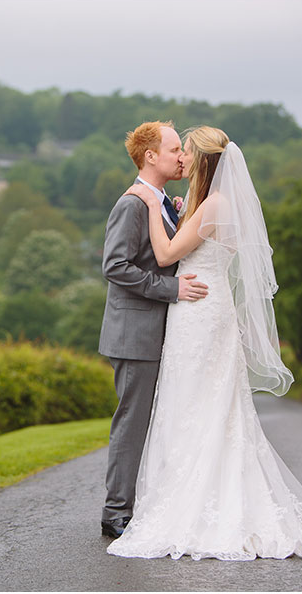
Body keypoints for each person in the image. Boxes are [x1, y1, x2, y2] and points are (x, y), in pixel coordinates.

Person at [106, 126, 302, 560]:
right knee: (193, 409)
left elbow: (170, 254)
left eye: (186, 151)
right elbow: (129, 261)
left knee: (198, 408)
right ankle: (143, 504)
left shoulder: (210, 205)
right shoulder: (195, 204)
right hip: (199, 312)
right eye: (176, 150)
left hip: (201, 314)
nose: (182, 158)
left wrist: (157, 209)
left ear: (204, 161)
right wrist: (167, 208)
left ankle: (186, 506)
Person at [98, 121, 210, 538]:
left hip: (159, 333)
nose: (181, 156)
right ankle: (116, 513)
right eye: (174, 148)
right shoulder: (131, 203)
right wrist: (173, 288)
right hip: (134, 334)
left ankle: (148, 504)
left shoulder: (162, 201)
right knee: (132, 421)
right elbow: (115, 266)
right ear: (150, 156)